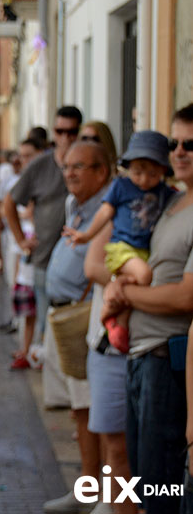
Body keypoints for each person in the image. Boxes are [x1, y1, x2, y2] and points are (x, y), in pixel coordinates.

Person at [103, 105, 193, 514]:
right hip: (142, 355)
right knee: (144, 481)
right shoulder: (171, 201)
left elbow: (184, 298)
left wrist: (125, 295)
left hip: (167, 357)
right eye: (174, 143)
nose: (179, 152)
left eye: (191, 144)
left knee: (162, 487)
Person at [40, 141, 112, 514]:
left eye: (79, 167)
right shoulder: (76, 206)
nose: (69, 173)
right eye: (67, 166)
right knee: (79, 411)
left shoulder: (106, 211)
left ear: (101, 172)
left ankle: (104, 497)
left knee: (95, 411)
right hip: (61, 315)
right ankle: (85, 490)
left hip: (83, 317)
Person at [65, 131, 175, 354]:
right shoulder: (122, 187)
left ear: (163, 170)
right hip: (121, 248)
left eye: (152, 174)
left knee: (141, 279)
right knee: (144, 276)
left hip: (142, 251)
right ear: (128, 167)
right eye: (138, 172)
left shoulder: (164, 193)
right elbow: (104, 213)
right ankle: (111, 303)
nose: (144, 180)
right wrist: (86, 235)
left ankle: (119, 323)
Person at [3, 106, 83, 341]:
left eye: (71, 132)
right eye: (60, 131)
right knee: (46, 325)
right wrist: (21, 240)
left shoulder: (86, 163)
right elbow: (9, 203)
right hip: (45, 257)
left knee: (72, 328)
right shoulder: (40, 166)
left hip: (78, 260)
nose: (65, 138)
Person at [84, 221, 137, 514]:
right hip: (109, 348)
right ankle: (112, 503)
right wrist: (130, 286)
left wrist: (129, 289)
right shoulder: (116, 208)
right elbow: (92, 267)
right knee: (116, 446)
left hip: (153, 346)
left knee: (144, 453)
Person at [6, 138, 44, 369]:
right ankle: (27, 349)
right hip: (26, 269)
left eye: (29, 155)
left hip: (40, 267)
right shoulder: (22, 181)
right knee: (28, 315)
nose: (24, 161)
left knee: (40, 315)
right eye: (22, 156)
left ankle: (37, 351)